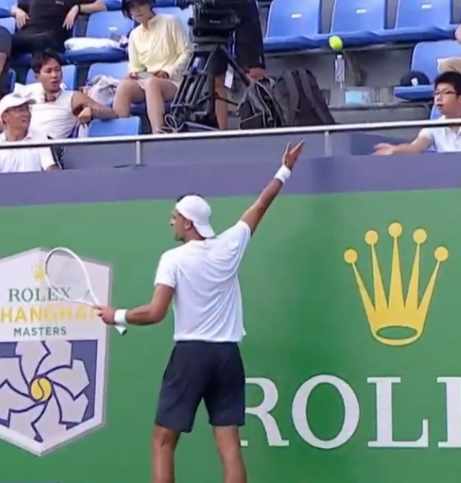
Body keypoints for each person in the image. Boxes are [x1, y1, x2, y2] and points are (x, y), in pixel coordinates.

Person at [94, 140, 305, 483]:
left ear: (189, 223)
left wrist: (116, 315)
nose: (171, 222)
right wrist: (285, 169)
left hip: (191, 355)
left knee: (162, 442)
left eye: (175, 217)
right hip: (227, 357)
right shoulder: (231, 244)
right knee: (229, 446)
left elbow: (156, 312)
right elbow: (261, 204)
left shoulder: (173, 259)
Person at [113, 0, 191, 133]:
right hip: (148, 80)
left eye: (141, 4)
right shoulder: (134, 35)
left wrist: (168, 72)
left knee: (152, 83)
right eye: (132, 7)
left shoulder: (171, 22)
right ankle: (121, 135)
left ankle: (159, 133)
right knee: (124, 86)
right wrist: (133, 74)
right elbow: (135, 67)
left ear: (150, 4)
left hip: (175, 81)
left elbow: (187, 52)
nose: (137, 10)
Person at [373, 72, 461, 155]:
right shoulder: (433, 126)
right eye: (437, 93)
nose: (438, 98)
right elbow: (416, 147)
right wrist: (396, 149)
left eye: (446, 93)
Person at [25, 50, 117, 140]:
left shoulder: (73, 98)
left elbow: (113, 114)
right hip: (24, 143)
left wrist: (92, 110)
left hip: (49, 146)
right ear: (37, 77)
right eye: (48, 71)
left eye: (57, 70)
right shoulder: (29, 94)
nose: (54, 75)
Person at [212, 0, 266, 130]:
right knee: (216, 80)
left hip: (244, 9)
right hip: (214, 13)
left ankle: (262, 124)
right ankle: (221, 133)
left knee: (254, 74)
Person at [0, 93, 59, 173]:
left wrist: (58, 175)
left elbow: (49, 167)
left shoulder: (40, 137)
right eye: (20, 110)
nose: (26, 114)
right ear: (5, 117)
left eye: (27, 109)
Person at [10, 0, 106, 56]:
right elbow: (13, 7)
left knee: (40, 41)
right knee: (4, 38)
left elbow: (101, 6)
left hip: (52, 38)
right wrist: (17, 11)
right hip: (28, 34)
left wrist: (78, 8)